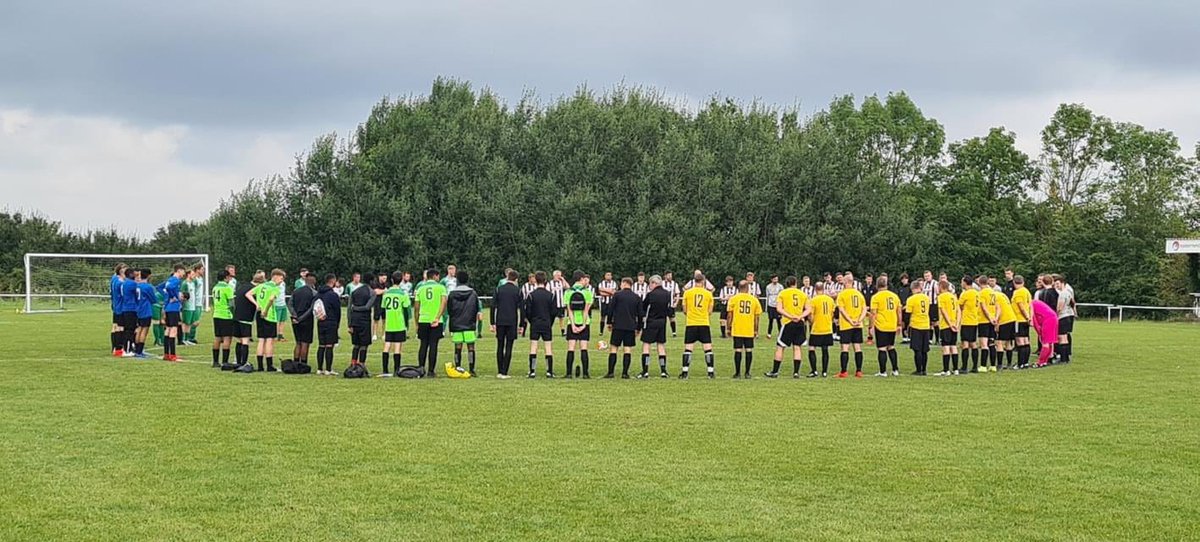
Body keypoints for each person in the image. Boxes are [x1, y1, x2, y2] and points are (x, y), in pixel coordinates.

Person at [766, 276, 810, 378]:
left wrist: (790, 316)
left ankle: (775, 371)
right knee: (797, 347)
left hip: (788, 323)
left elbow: (779, 309)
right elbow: (808, 309)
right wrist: (800, 316)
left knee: (780, 347)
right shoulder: (802, 294)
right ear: (796, 283)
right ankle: (796, 372)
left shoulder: (783, 293)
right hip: (800, 323)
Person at [680, 272, 716, 379]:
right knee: (708, 349)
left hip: (691, 323)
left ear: (694, 281)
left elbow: (684, 310)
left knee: (688, 349)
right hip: (704, 323)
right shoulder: (708, 294)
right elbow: (710, 311)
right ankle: (710, 372)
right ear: (703, 281)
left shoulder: (687, 293)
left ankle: (685, 372)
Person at [605, 277, 642, 378]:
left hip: (618, 325)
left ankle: (611, 372)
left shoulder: (617, 295)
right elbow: (640, 315)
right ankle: (625, 373)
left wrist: (609, 322)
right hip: (630, 326)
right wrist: (638, 328)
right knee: (627, 349)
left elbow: (610, 309)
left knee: (613, 348)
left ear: (624, 283)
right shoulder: (636, 297)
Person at [413, 269, 448, 377]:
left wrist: (417, 322)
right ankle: (431, 371)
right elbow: (444, 302)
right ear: (435, 276)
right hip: (436, 320)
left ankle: (421, 368)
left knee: (423, 344)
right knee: (433, 345)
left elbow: (416, 307)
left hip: (423, 319)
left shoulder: (420, 288)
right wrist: (438, 317)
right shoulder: (441, 287)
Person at [249, 269, 285, 372]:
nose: (281, 281)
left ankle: (260, 366)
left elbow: (248, 294)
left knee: (261, 340)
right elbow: (271, 299)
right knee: (269, 340)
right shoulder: (274, 288)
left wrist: (257, 305)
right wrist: (266, 310)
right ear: (275, 276)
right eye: (281, 278)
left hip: (259, 315)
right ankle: (269, 365)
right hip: (269, 316)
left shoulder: (261, 286)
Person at [446, 270, 481, 376]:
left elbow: (449, 309)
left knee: (458, 346)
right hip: (469, 323)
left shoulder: (452, 294)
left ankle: (458, 367)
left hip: (456, 323)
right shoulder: (473, 293)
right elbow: (476, 308)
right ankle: (472, 369)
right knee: (471, 346)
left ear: (457, 280)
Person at [522, 271, 557, 378]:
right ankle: (549, 371)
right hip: (546, 323)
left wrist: (532, 321)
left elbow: (527, 311)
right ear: (545, 281)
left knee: (533, 346)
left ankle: (532, 371)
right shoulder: (551, 295)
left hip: (535, 324)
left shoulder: (531, 295)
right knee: (548, 347)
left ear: (535, 281)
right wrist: (549, 322)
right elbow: (554, 312)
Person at [561, 271, 595, 378]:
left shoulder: (568, 292)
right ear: (581, 279)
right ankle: (585, 373)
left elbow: (569, 311)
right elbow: (586, 311)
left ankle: (569, 373)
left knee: (571, 348)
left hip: (572, 323)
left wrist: (573, 325)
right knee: (583, 348)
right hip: (585, 323)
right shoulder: (587, 292)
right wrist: (584, 325)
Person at [639, 275, 673, 378]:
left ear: (654, 283)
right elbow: (669, 309)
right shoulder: (667, 294)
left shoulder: (651, 294)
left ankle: (645, 371)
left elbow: (643, 307)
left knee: (646, 345)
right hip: (662, 322)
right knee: (661, 345)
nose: (649, 286)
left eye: (650, 284)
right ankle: (663, 371)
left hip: (651, 322)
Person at [491, 270, 523, 378]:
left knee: (500, 345)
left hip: (500, 320)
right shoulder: (518, 291)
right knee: (509, 346)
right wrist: (522, 324)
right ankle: (505, 371)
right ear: (516, 279)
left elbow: (492, 306)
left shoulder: (498, 289)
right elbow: (522, 309)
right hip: (512, 321)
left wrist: (492, 322)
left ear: (507, 277)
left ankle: (500, 371)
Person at [727, 280, 762, 378]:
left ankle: (737, 373)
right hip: (749, 329)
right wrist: (756, 330)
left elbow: (730, 315)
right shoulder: (754, 300)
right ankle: (747, 373)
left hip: (737, 328)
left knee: (738, 350)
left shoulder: (733, 299)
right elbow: (757, 317)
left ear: (738, 288)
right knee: (749, 350)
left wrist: (728, 328)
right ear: (748, 288)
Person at [868, 276, 902, 377]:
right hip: (892, 325)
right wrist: (899, 324)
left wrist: (871, 327)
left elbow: (873, 314)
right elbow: (899, 311)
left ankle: (883, 371)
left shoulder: (876, 297)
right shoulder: (894, 296)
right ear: (887, 285)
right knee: (891, 347)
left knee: (882, 348)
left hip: (881, 325)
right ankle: (895, 369)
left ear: (877, 285)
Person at [835, 272, 867, 378]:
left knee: (845, 347)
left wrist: (850, 320)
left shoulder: (842, 294)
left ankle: (844, 371)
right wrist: (859, 320)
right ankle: (859, 371)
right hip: (858, 325)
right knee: (857, 347)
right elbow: (864, 309)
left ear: (846, 282)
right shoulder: (859, 294)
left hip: (846, 325)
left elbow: (842, 309)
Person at [806, 282, 836, 377]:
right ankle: (824, 371)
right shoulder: (830, 300)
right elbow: (833, 314)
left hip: (816, 328)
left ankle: (814, 370)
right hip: (827, 328)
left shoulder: (813, 300)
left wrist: (811, 322)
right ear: (824, 289)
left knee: (811, 348)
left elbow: (810, 315)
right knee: (825, 349)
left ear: (815, 289)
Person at [315, 273, 342, 376]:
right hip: (331, 322)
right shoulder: (333, 295)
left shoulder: (318, 294)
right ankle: (328, 369)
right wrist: (337, 323)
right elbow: (337, 311)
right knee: (329, 346)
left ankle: (319, 368)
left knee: (321, 345)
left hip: (320, 321)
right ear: (333, 281)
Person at [905, 280, 933, 376]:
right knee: (924, 349)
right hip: (926, 325)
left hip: (916, 325)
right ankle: (924, 369)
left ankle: (918, 369)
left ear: (913, 289)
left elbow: (908, 314)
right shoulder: (926, 298)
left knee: (917, 349)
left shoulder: (911, 299)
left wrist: (906, 326)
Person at [158, 265, 185, 362]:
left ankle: (166, 354)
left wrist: (167, 297)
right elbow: (169, 287)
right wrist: (174, 296)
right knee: (174, 330)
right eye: (183, 272)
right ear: (179, 271)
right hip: (173, 308)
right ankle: (173, 355)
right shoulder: (176, 280)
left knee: (168, 330)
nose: (183, 274)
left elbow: (160, 287)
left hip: (168, 308)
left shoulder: (169, 279)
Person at [291, 273, 317, 368]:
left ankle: (296, 362)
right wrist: (301, 318)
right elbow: (311, 309)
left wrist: (295, 316)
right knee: (305, 343)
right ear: (314, 281)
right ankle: (303, 364)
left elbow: (290, 304)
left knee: (298, 342)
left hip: (295, 319)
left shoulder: (296, 291)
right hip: (306, 320)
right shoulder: (314, 293)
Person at [232, 271, 258, 369]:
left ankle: (238, 361)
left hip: (236, 316)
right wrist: (257, 304)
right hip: (246, 317)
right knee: (245, 340)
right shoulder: (254, 289)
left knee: (238, 340)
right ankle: (244, 362)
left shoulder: (242, 287)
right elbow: (249, 296)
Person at [211, 269, 236, 368]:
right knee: (227, 338)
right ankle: (225, 361)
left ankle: (215, 361)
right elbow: (231, 304)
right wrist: (234, 314)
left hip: (216, 314)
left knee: (217, 337)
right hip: (226, 315)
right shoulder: (227, 288)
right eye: (229, 276)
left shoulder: (215, 288)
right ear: (226, 277)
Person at [936, 279, 961, 375]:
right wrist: (957, 324)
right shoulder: (953, 297)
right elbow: (959, 311)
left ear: (941, 287)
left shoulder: (941, 297)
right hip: (955, 324)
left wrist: (950, 324)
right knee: (953, 346)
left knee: (946, 347)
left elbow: (943, 311)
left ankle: (946, 370)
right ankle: (955, 369)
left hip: (946, 325)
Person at [958, 275, 981, 373]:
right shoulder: (976, 293)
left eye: (962, 281)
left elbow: (960, 305)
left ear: (965, 282)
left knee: (965, 344)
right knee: (973, 344)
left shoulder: (965, 294)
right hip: (974, 320)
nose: (961, 283)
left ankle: (964, 367)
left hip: (966, 321)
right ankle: (975, 366)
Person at [976, 274, 998, 372]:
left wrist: (989, 318)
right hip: (992, 319)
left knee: (984, 344)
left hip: (984, 320)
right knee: (992, 343)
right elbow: (997, 306)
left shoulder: (981, 293)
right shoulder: (992, 292)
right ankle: (993, 365)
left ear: (979, 282)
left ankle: (983, 366)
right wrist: (995, 318)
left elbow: (983, 307)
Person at [1011, 275, 1033, 369]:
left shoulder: (1017, 292)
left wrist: (1027, 317)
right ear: (1023, 282)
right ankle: (1026, 362)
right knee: (1026, 341)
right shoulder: (1026, 291)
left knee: (1020, 341)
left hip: (1019, 319)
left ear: (1014, 283)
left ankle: (1020, 363)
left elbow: (1021, 307)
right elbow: (1030, 306)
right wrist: (1030, 317)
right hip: (1025, 320)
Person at [132, 269, 155, 359]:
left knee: (139, 329)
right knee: (144, 330)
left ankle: (137, 349)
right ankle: (140, 351)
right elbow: (153, 299)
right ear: (149, 276)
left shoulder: (137, 285)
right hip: (146, 310)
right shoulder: (148, 287)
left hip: (138, 309)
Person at [1030, 298, 1060, 367]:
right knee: (1049, 342)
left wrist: (1039, 333)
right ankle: (1045, 361)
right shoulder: (1035, 302)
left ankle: (1040, 362)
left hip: (1048, 320)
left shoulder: (1030, 305)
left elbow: (1034, 319)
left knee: (1045, 343)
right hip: (1053, 317)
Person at [1054, 275, 1075, 364]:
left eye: (1058, 283)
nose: (1057, 285)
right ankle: (1066, 358)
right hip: (1068, 315)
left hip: (1063, 316)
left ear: (1063, 283)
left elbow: (1060, 307)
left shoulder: (1062, 293)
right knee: (1065, 337)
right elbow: (1073, 302)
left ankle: (1063, 358)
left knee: (1061, 338)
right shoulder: (1068, 292)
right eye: (1055, 284)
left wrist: (1056, 315)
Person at [120, 267, 139, 357]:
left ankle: (129, 347)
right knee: (129, 330)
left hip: (126, 308)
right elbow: (137, 295)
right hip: (131, 309)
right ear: (131, 274)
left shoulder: (124, 283)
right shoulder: (132, 284)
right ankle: (127, 350)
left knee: (129, 329)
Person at [110, 263, 128, 357]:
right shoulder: (120, 282)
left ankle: (115, 348)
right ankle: (119, 349)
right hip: (121, 307)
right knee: (120, 328)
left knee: (115, 327)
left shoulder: (114, 279)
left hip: (116, 305)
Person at [179, 268, 197, 346]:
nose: (194, 276)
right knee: (185, 323)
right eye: (192, 274)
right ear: (188, 275)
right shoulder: (185, 283)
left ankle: (187, 339)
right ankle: (183, 339)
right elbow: (182, 294)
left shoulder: (193, 283)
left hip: (192, 306)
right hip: (187, 307)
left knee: (189, 323)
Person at [549, 270, 568, 336]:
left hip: (561, 303)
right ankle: (548, 330)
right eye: (558, 275)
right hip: (553, 304)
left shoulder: (561, 282)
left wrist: (563, 279)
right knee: (551, 318)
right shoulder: (550, 283)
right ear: (554, 275)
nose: (559, 277)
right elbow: (547, 292)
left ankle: (563, 331)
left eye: (560, 275)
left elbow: (568, 287)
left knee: (561, 318)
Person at [662, 271, 681, 337]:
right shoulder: (661, 283)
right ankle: (662, 333)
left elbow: (677, 294)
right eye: (669, 275)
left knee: (672, 319)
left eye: (671, 275)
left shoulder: (674, 284)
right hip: (662, 305)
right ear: (665, 276)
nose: (670, 276)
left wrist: (676, 303)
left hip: (671, 304)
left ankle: (674, 332)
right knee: (662, 319)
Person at [764, 274, 783, 339]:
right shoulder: (768, 287)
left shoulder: (780, 286)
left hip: (777, 305)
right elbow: (767, 296)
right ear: (771, 279)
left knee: (779, 320)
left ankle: (780, 333)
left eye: (777, 279)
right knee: (771, 320)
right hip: (771, 305)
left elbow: (782, 296)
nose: (776, 280)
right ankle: (769, 333)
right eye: (774, 279)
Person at [372, 272, 389, 341]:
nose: (385, 280)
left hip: (385, 303)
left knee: (384, 319)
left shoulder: (387, 284)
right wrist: (384, 291)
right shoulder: (375, 283)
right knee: (376, 319)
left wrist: (382, 291)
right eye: (384, 278)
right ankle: (374, 334)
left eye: (386, 278)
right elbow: (376, 292)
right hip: (377, 303)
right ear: (380, 277)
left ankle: (384, 334)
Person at [273, 272, 288, 342]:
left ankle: (280, 335)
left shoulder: (283, 284)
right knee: (277, 321)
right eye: (281, 278)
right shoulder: (273, 285)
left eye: (283, 278)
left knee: (283, 320)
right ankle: (275, 335)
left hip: (283, 304)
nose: (282, 280)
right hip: (276, 305)